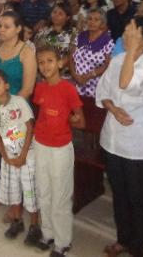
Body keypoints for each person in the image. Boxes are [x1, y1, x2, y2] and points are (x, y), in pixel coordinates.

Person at [95, 16, 143, 257]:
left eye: (131, 33)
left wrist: (133, 51)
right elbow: (103, 92)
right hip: (113, 139)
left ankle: (138, 248)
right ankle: (123, 239)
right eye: (125, 30)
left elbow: (126, 83)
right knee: (119, 193)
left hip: (138, 142)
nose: (125, 35)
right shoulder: (117, 60)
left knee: (137, 197)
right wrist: (113, 109)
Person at [0, 11, 37, 213]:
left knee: (17, 158)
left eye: (6, 26)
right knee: (0, 155)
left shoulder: (26, 52)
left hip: (16, 115)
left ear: (18, 29)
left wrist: (10, 113)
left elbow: (28, 88)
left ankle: (19, 204)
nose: (1, 29)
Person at [32, 45, 84, 257]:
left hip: (60, 148)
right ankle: (48, 234)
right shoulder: (40, 88)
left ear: (60, 62)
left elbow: (80, 120)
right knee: (43, 191)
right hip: (41, 144)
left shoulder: (68, 89)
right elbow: (41, 114)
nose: (45, 66)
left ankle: (62, 242)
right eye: (41, 62)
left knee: (60, 196)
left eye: (49, 61)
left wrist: (72, 120)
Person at [0, 69, 41, 244]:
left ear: (6, 85)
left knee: (30, 191)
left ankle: (34, 226)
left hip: (28, 156)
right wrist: (7, 158)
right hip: (9, 159)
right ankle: (17, 222)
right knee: (13, 191)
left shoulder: (19, 102)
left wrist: (23, 155)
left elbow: (30, 127)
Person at [70, 8, 114, 103]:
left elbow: (108, 65)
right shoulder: (80, 36)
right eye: (89, 19)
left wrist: (89, 76)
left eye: (96, 20)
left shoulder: (107, 41)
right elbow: (71, 58)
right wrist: (75, 75)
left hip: (96, 85)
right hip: (77, 81)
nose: (92, 22)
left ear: (102, 23)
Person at [34, 3, 77, 72]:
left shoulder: (72, 33)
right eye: (54, 12)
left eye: (60, 14)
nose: (56, 16)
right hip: (41, 70)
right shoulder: (42, 32)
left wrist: (55, 68)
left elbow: (71, 54)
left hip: (62, 72)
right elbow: (35, 52)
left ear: (67, 18)